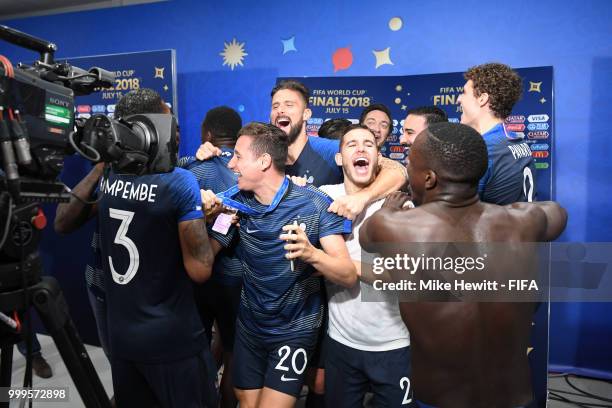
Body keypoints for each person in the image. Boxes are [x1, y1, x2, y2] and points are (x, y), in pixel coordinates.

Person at [360, 122, 567, 407]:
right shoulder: (524, 221)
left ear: (429, 178)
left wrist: (389, 209)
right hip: (512, 398)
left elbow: (366, 238)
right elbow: (557, 214)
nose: (407, 172)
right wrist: (510, 214)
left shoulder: (392, 227)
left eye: (410, 164)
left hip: (440, 400)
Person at [204, 122, 356, 408]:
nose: (232, 163)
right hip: (250, 325)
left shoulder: (315, 205)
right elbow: (205, 253)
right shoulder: (235, 201)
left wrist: (311, 254)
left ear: (263, 161)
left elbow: (347, 275)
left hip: (295, 329)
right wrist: (204, 216)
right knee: (246, 404)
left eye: (238, 155)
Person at [318, 124, 414, 407]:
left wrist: (338, 263)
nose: (360, 148)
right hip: (341, 344)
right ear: (339, 159)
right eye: (351, 145)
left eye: (368, 144)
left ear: (378, 158)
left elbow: (401, 277)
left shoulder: (399, 207)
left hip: (394, 344)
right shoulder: (322, 197)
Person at [179, 105, 242, 408]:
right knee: (232, 351)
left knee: (197, 347)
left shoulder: (188, 169)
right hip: (236, 279)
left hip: (195, 277)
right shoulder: (247, 169)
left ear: (208, 134)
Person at [458, 62, 536, 204]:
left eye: (464, 93)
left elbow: (456, 211)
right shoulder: (518, 141)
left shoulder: (482, 150)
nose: (458, 99)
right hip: (522, 224)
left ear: (482, 98)